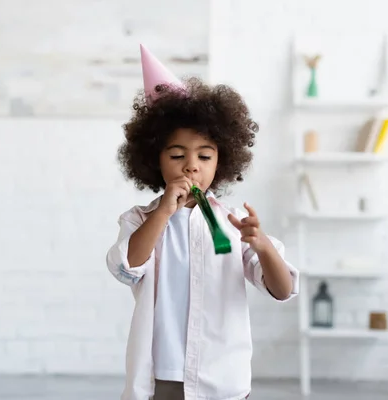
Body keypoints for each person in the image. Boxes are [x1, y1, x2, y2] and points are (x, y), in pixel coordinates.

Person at [106, 44, 299, 400]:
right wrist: (164, 210)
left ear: (221, 162)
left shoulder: (233, 225)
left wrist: (263, 245)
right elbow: (127, 267)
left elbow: (283, 290)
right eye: (177, 154)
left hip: (221, 376)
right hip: (161, 375)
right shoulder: (140, 220)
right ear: (154, 159)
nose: (191, 165)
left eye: (204, 156)